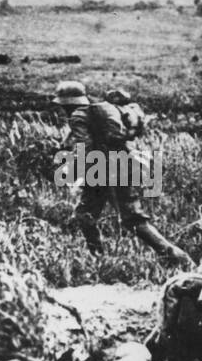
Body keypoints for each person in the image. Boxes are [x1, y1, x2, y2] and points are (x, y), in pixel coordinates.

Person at [52, 80, 192, 266]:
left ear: (66, 103)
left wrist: (73, 173)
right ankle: (99, 259)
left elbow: (83, 147)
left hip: (104, 168)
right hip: (124, 163)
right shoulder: (102, 110)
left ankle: (175, 257)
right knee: (91, 214)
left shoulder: (78, 116)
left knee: (120, 218)